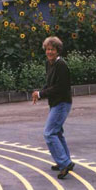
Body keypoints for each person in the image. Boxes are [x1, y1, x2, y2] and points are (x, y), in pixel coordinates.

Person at [32, 36, 75, 179]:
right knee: (56, 132)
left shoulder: (61, 65)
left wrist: (41, 93)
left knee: (49, 133)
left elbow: (59, 88)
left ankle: (64, 162)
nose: (50, 52)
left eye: (52, 49)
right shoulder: (49, 64)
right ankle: (64, 159)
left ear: (58, 51)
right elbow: (49, 84)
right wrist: (39, 92)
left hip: (62, 103)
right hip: (56, 103)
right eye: (48, 49)